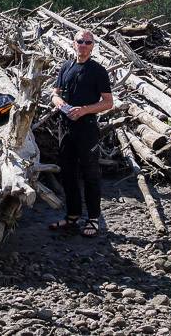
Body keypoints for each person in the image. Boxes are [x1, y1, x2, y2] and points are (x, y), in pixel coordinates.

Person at [49, 29, 113, 237]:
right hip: (65, 128)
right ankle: (72, 216)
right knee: (67, 173)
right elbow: (55, 94)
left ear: (93, 46)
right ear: (73, 43)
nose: (84, 45)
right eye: (80, 41)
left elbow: (108, 102)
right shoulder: (66, 67)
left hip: (87, 129)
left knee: (90, 173)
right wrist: (61, 104)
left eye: (88, 42)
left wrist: (84, 110)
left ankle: (93, 219)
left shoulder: (98, 71)